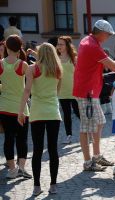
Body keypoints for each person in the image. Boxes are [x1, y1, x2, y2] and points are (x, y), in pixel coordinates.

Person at [73, 19, 115, 171]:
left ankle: (96, 156)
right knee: (86, 126)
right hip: (86, 92)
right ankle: (88, 162)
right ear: (101, 33)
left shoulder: (88, 40)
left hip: (89, 90)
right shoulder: (92, 46)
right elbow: (114, 66)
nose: (108, 37)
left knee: (99, 122)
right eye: (108, 35)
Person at [18, 43, 62, 196]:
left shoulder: (32, 69)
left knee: (37, 150)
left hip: (37, 111)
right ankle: (53, 185)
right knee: (53, 149)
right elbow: (57, 90)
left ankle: (36, 186)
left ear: (39, 53)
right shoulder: (57, 69)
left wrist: (21, 111)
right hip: (52, 112)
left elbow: (27, 90)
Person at [0, 35, 31, 179]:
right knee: (22, 139)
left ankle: (12, 170)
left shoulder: (0, 63)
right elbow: (29, 87)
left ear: (6, 47)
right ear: (20, 48)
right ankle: (22, 168)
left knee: (8, 139)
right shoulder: (23, 64)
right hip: (21, 107)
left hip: (4, 106)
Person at [56, 36, 80, 144]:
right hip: (62, 91)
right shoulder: (56, 58)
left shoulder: (74, 58)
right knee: (66, 114)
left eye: (61, 44)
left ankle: (88, 132)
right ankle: (68, 135)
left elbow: (80, 74)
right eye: (58, 44)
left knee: (78, 112)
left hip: (75, 91)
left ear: (67, 46)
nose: (59, 46)